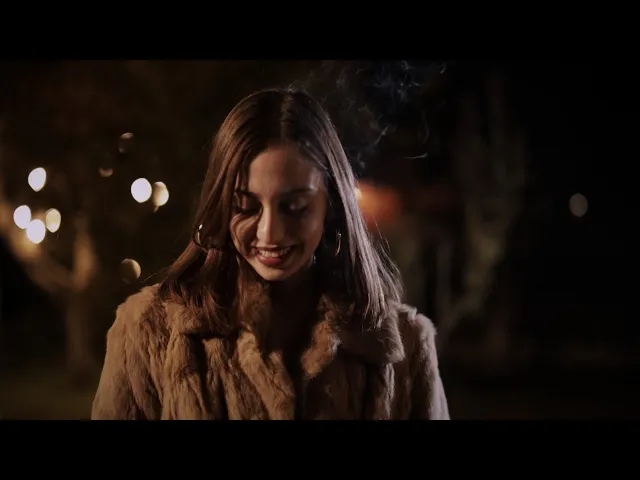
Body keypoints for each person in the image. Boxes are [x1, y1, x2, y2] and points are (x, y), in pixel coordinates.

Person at [91, 87, 450, 420]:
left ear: (331, 206)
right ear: (221, 206)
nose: (270, 233)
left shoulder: (404, 346)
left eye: (294, 207)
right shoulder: (148, 334)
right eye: (246, 207)